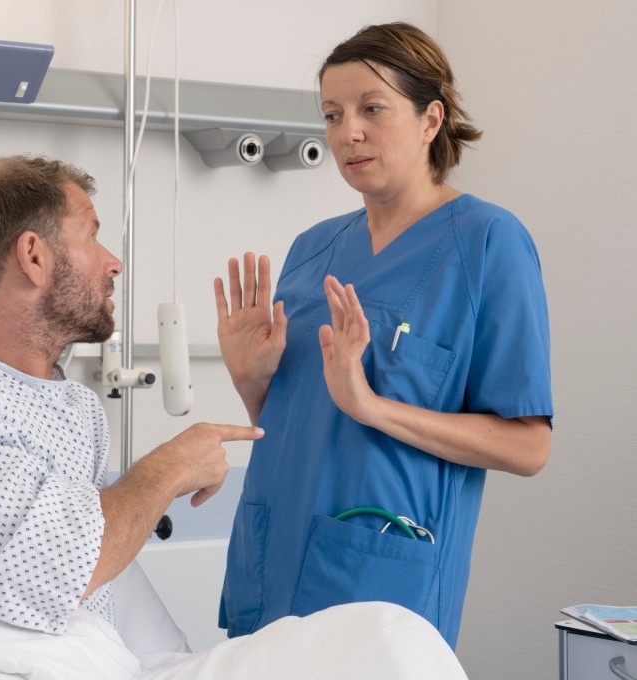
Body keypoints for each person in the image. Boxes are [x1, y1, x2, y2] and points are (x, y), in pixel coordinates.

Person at [214, 22, 553, 649]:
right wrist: (250, 380)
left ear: (431, 119)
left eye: (372, 108)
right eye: (333, 114)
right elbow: (305, 420)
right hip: (271, 553)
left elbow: (529, 448)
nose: (349, 133)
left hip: (380, 571)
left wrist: (371, 405)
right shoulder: (313, 248)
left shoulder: (486, 242)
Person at [0, 154, 262, 661]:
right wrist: (170, 467)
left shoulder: (74, 408)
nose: (114, 262)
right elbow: (45, 572)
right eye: (91, 235)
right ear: (34, 256)